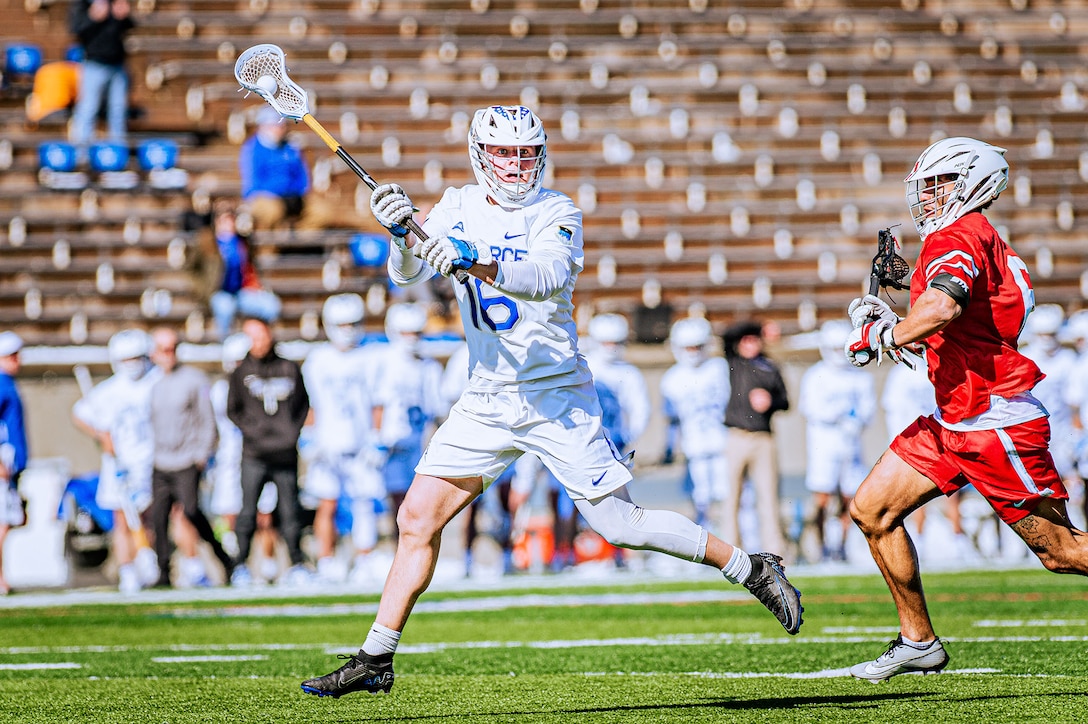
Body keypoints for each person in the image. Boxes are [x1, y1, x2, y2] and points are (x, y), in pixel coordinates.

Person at [300, 104, 803, 699]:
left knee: (620, 524)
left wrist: (471, 258)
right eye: (504, 154)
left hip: (554, 394)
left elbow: (543, 276)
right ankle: (377, 656)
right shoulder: (459, 204)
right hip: (486, 395)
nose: (516, 166)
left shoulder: (558, 211)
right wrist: (401, 234)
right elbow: (407, 273)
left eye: (524, 154)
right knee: (416, 520)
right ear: (480, 155)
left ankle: (750, 567)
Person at [844, 136, 1088, 682]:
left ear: (973, 182)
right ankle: (918, 641)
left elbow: (944, 304)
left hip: (993, 418)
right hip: (957, 412)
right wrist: (903, 318)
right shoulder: (973, 237)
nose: (927, 196)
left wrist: (886, 332)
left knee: (1063, 551)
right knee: (872, 510)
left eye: (939, 185)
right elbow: (958, 312)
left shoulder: (960, 234)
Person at [71, 329, 160, 594]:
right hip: (118, 463)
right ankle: (128, 570)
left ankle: (151, 563)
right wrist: (101, 436)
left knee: (149, 516)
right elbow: (81, 414)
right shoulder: (108, 390)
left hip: (150, 460)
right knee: (122, 519)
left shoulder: (156, 382)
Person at [300, 294, 381, 584]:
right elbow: (312, 403)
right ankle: (326, 560)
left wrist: (376, 438)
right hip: (327, 443)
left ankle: (364, 558)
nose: (348, 329)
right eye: (342, 324)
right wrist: (309, 437)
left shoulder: (372, 356)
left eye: (353, 323)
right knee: (327, 503)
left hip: (360, 444)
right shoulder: (318, 360)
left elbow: (377, 402)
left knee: (363, 503)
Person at [146, 327, 234, 587]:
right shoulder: (152, 383)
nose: (168, 354)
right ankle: (163, 572)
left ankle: (222, 558)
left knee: (193, 511)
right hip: (161, 461)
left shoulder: (195, 380)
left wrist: (201, 455)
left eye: (172, 348)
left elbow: (208, 421)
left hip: (186, 460)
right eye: (163, 349)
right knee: (158, 518)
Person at [226, 317, 311, 586]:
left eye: (262, 336)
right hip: (254, 455)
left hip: (284, 454)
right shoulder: (241, 373)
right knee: (248, 512)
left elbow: (302, 405)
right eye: (253, 337)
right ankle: (240, 565)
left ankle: (297, 564)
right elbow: (233, 410)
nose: (259, 342)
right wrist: (255, 432)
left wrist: (289, 432)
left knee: (290, 512)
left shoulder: (288, 368)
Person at [798, 320, 875, 562]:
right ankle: (821, 547)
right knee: (822, 498)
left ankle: (840, 546)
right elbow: (808, 407)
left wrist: (856, 421)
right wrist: (835, 414)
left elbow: (868, 409)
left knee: (849, 499)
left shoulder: (860, 378)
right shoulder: (815, 375)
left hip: (850, 446)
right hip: (824, 446)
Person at [721, 320, 790, 556]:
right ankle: (732, 549)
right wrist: (759, 326)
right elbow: (727, 334)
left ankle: (775, 550)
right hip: (737, 436)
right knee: (732, 497)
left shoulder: (769, 367)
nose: (750, 344)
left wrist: (770, 401)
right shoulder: (735, 364)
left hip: (763, 438)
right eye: (746, 340)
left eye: (754, 339)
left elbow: (786, 402)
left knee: (768, 497)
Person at [659, 316, 730, 528]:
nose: (693, 353)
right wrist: (669, 448)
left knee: (733, 496)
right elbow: (673, 420)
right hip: (695, 448)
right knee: (701, 501)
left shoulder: (720, 368)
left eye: (697, 347)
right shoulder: (672, 378)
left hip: (723, 445)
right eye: (687, 348)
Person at [239, 107, 345, 231]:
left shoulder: (291, 147)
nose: (279, 130)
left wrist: (298, 194)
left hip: (293, 197)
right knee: (272, 211)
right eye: (275, 126)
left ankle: (299, 240)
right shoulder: (252, 149)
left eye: (281, 126)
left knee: (323, 212)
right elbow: (253, 182)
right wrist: (278, 195)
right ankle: (272, 245)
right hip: (265, 197)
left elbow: (302, 175)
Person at [207, 201, 281, 340]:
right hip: (220, 293)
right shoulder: (208, 243)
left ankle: (262, 341)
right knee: (225, 308)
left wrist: (255, 285)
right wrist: (204, 290)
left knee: (271, 305)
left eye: (230, 219)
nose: (227, 223)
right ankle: (224, 346)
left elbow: (249, 268)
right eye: (223, 219)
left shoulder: (242, 241)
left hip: (242, 292)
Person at [68, 0, 134, 155]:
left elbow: (129, 27)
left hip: (117, 64)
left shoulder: (116, 2)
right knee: (88, 108)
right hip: (93, 64)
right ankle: (81, 154)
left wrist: (124, 17)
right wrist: (93, 17)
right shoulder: (83, 3)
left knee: (118, 110)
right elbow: (75, 29)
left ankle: (117, 154)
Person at [0, 332, 28, 595]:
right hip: (3, 465)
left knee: (8, 521)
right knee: (2, 523)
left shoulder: (8, 384)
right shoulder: (1, 384)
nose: (17, 360)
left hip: (11, 466)